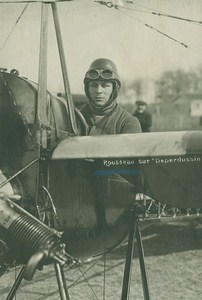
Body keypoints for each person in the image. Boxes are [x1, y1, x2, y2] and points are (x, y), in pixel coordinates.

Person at [81, 58, 141, 135]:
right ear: (87, 88)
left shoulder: (127, 122)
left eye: (105, 85)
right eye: (94, 85)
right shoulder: (74, 120)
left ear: (114, 89)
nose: (99, 91)